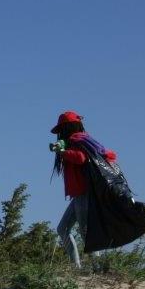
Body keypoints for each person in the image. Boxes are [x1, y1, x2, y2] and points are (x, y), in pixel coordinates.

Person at [50, 111, 117, 268]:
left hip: (84, 192)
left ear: (67, 127)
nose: (59, 133)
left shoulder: (77, 139)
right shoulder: (78, 140)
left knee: (85, 231)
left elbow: (81, 158)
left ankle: (97, 267)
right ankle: (77, 266)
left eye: (61, 129)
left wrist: (62, 152)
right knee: (63, 229)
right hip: (79, 194)